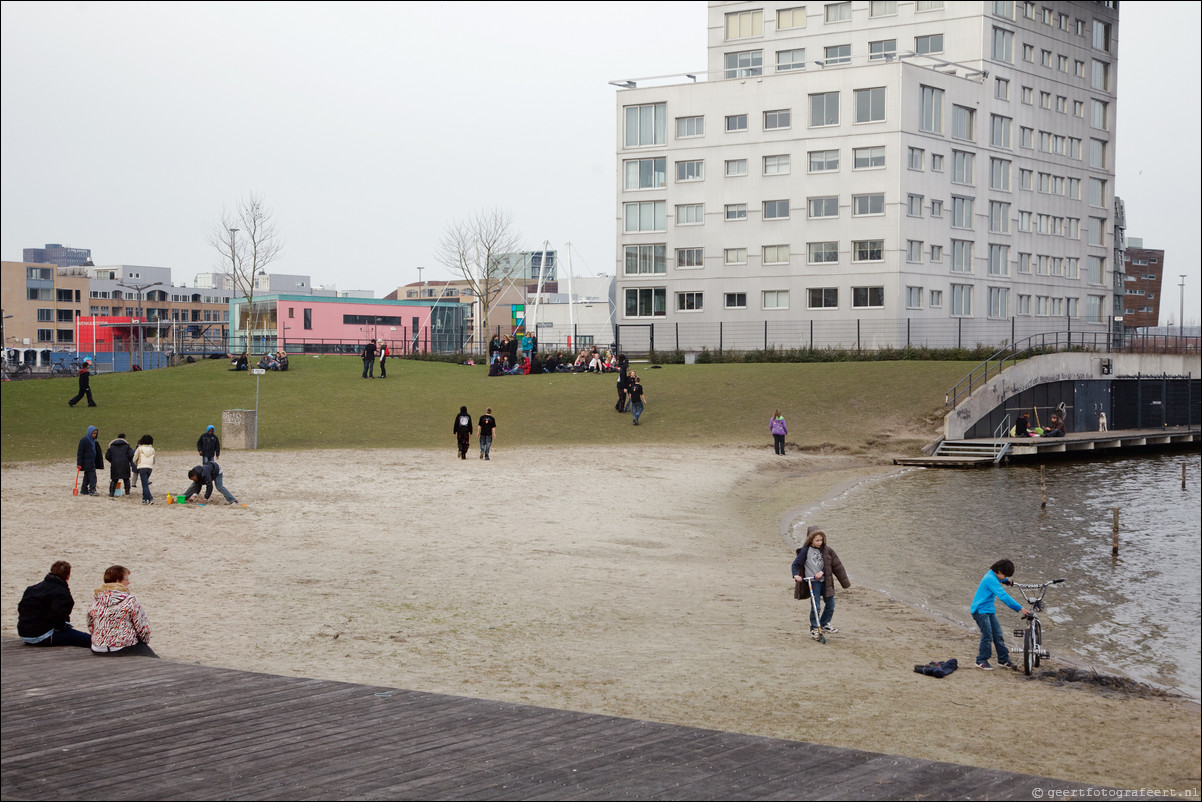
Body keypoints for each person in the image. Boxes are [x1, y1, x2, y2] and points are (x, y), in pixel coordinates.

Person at [790, 525, 851, 640]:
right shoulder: (805, 551)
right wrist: (796, 575)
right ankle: (814, 628)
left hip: (826, 581)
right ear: (810, 539)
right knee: (816, 606)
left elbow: (835, 565)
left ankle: (824, 623)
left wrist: (822, 572)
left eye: (821, 540)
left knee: (831, 604)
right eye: (817, 540)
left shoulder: (827, 550)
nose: (819, 542)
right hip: (813, 582)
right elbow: (795, 564)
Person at [970, 559, 1031, 670]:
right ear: (998, 571)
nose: (1004, 577)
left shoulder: (994, 576)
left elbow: (999, 579)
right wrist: (1020, 608)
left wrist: (1006, 580)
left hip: (989, 610)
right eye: (1005, 575)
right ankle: (981, 660)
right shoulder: (990, 579)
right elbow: (1003, 596)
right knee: (987, 636)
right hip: (980, 611)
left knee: (998, 635)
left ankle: (1003, 659)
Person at [17, 560, 91, 648]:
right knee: (88, 639)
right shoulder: (62, 592)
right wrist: (62, 627)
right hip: (41, 636)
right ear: (68, 576)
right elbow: (58, 617)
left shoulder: (31, 588)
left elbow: (21, 608)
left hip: (24, 633)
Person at [88, 565, 157, 657]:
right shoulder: (129, 600)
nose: (129, 582)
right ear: (117, 580)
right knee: (154, 658)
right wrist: (144, 641)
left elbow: (90, 624)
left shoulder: (95, 600)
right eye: (126, 579)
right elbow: (142, 627)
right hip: (122, 648)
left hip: (98, 648)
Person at [76, 425, 104, 496]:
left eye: (96, 433)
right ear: (89, 433)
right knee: (92, 476)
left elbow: (98, 452)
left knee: (87, 476)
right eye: (93, 433)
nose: (95, 435)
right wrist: (79, 463)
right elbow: (80, 453)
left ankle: (84, 489)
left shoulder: (95, 442)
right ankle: (92, 489)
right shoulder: (84, 440)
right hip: (87, 462)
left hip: (92, 461)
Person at [105, 432, 134, 497]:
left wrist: (112, 461)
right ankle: (127, 492)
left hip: (115, 464)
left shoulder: (111, 447)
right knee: (126, 478)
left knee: (114, 479)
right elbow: (131, 454)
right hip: (125, 463)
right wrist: (128, 460)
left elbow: (107, 456)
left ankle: (111, 493)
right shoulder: (127, 446)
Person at [132, 434, 156, 505]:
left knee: (144, 484)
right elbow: (154, 460)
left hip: (142, 467)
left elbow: (134, 459)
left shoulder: (139, 448)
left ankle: (150, 498)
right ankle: (144, 499)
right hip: (149, 468)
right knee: (145, 483)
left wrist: (137, 464)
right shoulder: (152, 449)